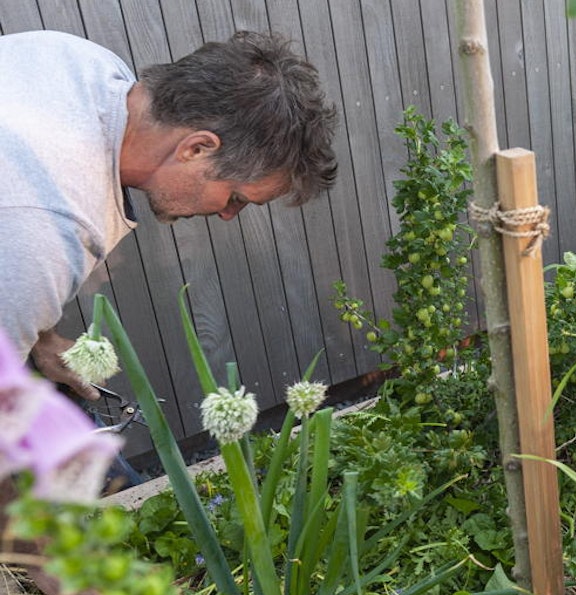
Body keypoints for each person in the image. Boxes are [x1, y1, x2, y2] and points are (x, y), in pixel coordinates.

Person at [0, 29, 338, 400]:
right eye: (235, 197)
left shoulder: (77, 58)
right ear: (196, 149)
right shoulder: (51, 226)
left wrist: (34, 332)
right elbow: (25, 237)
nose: (227, 215)